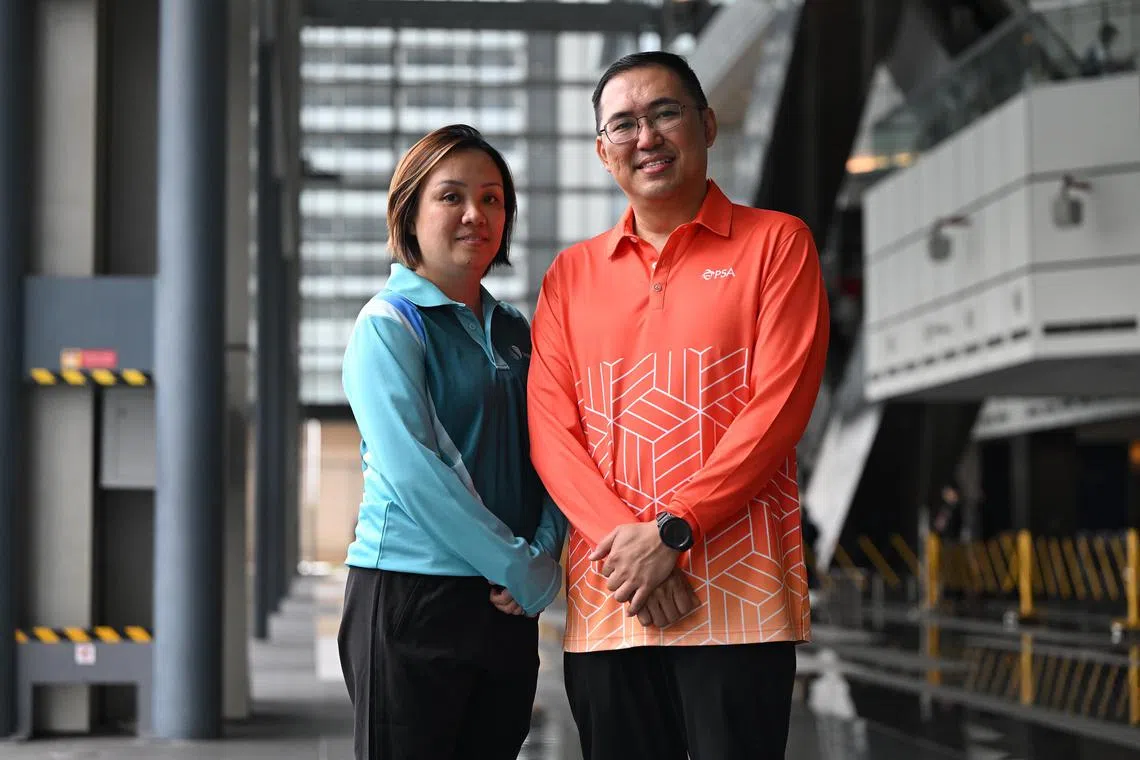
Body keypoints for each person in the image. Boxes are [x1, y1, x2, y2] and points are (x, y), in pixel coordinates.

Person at [528, 52, 830, 760]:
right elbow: (550, 431)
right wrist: (636, 550)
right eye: (623, 125)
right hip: (614, 602)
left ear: (708, 124)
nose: (646, 137)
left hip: (741, 605)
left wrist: (674, 531)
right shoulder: (570, 276)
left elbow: (778, 408)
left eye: (665, 113)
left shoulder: (776, 245)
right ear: (603, 152)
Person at [338, 124, 567, 760]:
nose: (476, 214)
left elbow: (558, 448)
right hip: (413, 593)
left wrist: (545, 553)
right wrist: (520, 565)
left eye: (493, 199)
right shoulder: (388, 325)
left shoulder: (517, 331)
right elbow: (415, 474)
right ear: (408, 212)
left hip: (507, 602)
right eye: (451, 197)